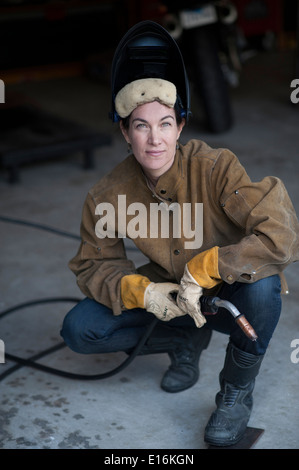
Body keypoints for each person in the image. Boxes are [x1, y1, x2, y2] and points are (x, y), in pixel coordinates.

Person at [61, 21, 299, 447]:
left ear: (181, 125)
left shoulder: (215, 167)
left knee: (264, 285)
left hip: (228, 293)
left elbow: (279, 231)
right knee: (80, 329)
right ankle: (183, 337)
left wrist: (208, 267)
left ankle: (235, 395)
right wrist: (143, 293)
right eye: (140, 126)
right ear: (123, 130)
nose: (155, 139)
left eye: (165, 123)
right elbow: (93, 264)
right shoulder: (107, 195)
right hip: (166, 292)